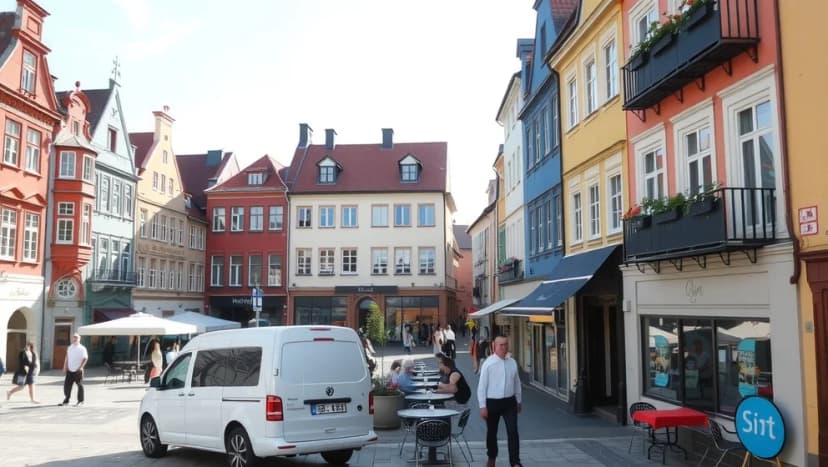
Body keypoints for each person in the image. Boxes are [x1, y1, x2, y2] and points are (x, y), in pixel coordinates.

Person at [478, 335, 522, 467]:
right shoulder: (488, 364)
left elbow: (517, 382)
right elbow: (482, 387)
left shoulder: (512, 362)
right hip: (492, 403)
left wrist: (519, 400)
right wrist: (482, 406)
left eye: (506, 344)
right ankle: (492, 457)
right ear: (494, 346)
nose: (504, 347)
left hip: (509, 402)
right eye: (501, 345)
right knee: (492, 433)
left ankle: (515, 462)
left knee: (513, 431)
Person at [60, 333, 88, 407]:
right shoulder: (70, 347)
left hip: (78, 370)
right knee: (67, 386)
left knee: (79, 385)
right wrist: (65, 366)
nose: (75, 339)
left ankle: (80, 400)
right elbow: (67, 357)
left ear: (79, 339)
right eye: (74, 338)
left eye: (76, 338)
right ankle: (66, 399)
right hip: (70, 369)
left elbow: (85, 358)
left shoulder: (82, 348)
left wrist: (81, 367)